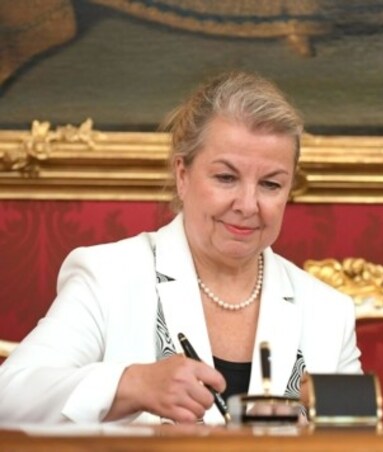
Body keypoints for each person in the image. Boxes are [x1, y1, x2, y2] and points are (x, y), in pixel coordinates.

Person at [0, 71, 362, 424]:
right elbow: (10, 397)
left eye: (270, 184)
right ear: (183, 175)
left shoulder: (328, 311)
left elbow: (360, 436)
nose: (248, 205)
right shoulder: (109, 277)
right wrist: (132, 384)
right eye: (226, 177)